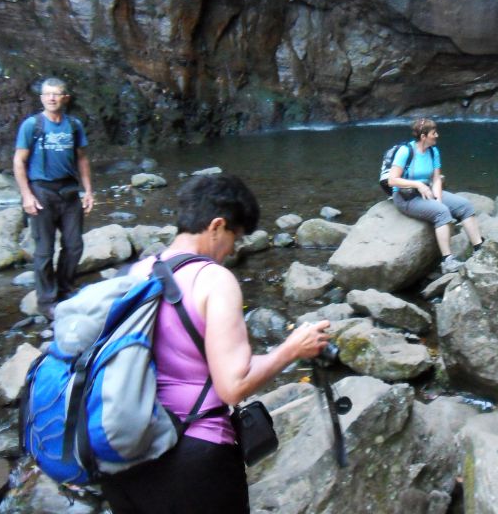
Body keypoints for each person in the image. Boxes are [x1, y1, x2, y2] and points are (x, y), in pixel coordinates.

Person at [100, 174, 331, 514]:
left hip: (124, 458)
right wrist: (292, 349)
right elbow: (233, 386)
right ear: (217, 226)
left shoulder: (136, 274)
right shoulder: (213, 279)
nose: (232, 251)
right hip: (193, 456)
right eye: (234, 239)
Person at [13, 77, 94, 320]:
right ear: (41, 98)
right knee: (44, 251)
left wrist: (88, 190)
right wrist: (26, 195)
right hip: (41, 192)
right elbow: (19, 161)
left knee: (74, 245)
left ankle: (66, 289)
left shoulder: (74, 125)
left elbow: (82, 158)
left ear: (65, 98)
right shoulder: (32, 125)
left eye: (56, 94)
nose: (51, 98)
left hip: (69, 192)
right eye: (47, 94)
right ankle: (47, 300)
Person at [388, 117, 484, 274]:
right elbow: (392, 180)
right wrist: (418, 184)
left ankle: (479, 249)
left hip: (428, 192)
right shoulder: (405, 152)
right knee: (442, 212)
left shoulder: (433, 152)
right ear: (423, 136)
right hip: (406, 197)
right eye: (434, 133)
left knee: (465, 206)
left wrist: (438, 199)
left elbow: (436, 179)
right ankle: (447, 261)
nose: (437, 135)